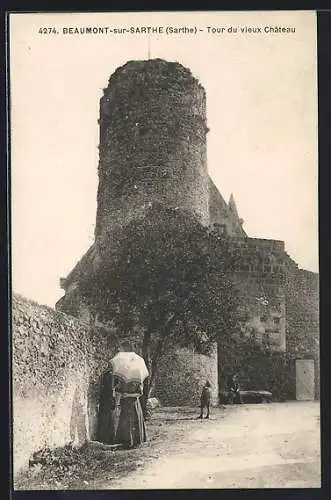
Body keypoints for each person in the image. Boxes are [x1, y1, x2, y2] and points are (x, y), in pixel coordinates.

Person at [115, 380, 147, 449]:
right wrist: (119, 393)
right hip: (125, 404)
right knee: (125, 422)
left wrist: (128, 395)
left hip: (133, 404)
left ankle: (134, 442)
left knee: (133, 422)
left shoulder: (138, 381)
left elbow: (140, 393)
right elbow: (118, 390)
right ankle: (126, 441)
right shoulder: (123, 380)